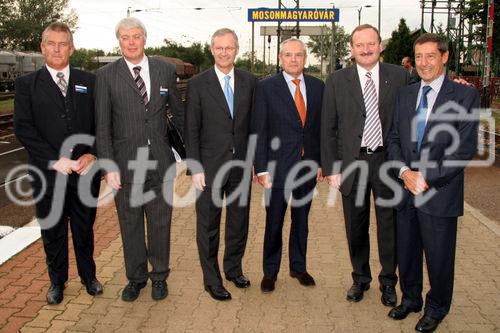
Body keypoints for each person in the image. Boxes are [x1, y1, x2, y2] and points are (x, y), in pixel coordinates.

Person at [387, 33, 479, 333]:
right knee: (407, 251)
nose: (424, 63)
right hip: (405, 189)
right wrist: (404, 173)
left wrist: (425, 178)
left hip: (439, 192)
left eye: (430, 56)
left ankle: (436, 307)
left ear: (445, 57)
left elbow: (462, 150)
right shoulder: (405, 94)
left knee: (439, 257)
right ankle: (410, 298)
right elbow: (395, 140)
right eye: (419, 56)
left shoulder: (464, 96)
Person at [95, 17, 184, 302]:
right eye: (125, 37)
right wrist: (108, 165)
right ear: (119, 41)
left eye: (136, 36)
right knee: (130, 224)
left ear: (145, 38)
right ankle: (136, 278)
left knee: (160, 223)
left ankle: (159, 276)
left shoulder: (164, 71)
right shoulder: (106, 75)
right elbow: (102, 125)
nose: (131, 42)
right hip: (125, 164)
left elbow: (179, 115)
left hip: (160, 161)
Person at [14, 22, 103, 304]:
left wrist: (94, 153)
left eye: (62, 43)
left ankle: (89, 277)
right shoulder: (27, 85)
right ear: (42, 47)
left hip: (85, 172)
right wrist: (56, 161)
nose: (56, 49)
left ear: (72, 48)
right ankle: (57, 282)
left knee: (84, 229)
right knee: (52, 231)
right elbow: (24, 128)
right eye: (51, 43)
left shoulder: (89, 81)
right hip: (48, 175)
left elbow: (101, 124)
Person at [321, 24, 409, 306]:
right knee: (355, 225)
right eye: (360, 45)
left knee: (389, 225)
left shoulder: (400, 76)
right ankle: (360, 278)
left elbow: (414, 111)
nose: (366, 49)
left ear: (380, 45)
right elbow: (328, 128)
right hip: (353, 162)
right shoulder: (336, 81)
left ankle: (388, 282)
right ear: (352, 49)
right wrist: (332, 167)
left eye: (371, 44)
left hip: (387, 161)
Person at [184, 28, 257, 301]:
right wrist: (195, 168)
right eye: (219, 48)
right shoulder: (198, 84)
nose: (224, 52)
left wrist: (255, 161)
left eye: (229, 47)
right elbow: (191, 129)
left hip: (241, 166)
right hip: (209, 168)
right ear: (212, 50)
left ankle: (233, 269)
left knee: (239, 223)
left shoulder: (250, 82)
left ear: (237, 49)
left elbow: (254, 127)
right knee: (208, 225)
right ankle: (211, 279)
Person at [252, 38, 324, 293]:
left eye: (299, 55)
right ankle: (270, 272)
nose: (294, 59)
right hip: (277, 169)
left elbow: (320, 130)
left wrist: (321, 163)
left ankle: (298, 267)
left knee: (301, 220)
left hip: (307, 166)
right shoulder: (266, 88)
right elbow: (258, 130)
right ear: (280, 58)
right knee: (274, 221)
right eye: (288, 55)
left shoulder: (318, 87)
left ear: (305, 58)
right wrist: (260, 168)